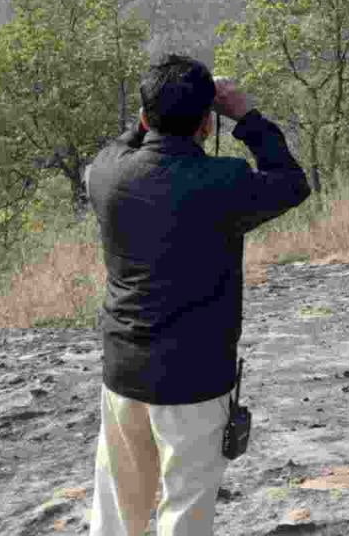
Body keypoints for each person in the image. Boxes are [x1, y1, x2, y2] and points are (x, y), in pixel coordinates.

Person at [84, 55, 311, 535]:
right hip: (195, 378)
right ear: (209, 124)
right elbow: (292, 183)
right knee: (184, 508)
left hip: (122, 370)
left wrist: (156, 109)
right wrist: (246, 117)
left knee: (118, 507)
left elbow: (130, 141)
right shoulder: (223, 182)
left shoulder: (105, 173)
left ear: (144, 119)